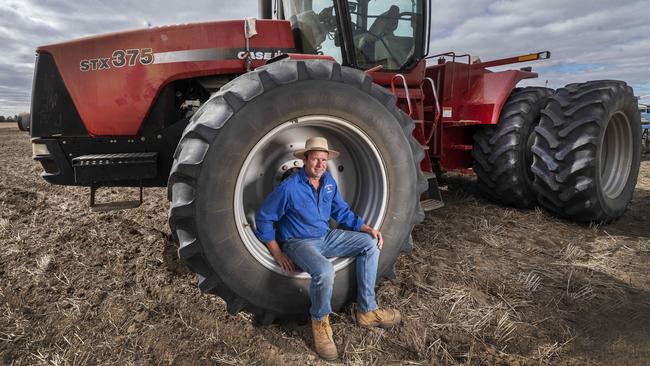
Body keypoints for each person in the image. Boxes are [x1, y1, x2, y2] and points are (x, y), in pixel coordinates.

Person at [255, 136, 401, 361]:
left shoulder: (329, 182)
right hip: (298, 242)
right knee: (324, 271)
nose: (320, 164)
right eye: (315, 159)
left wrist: (366, 228)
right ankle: (320, 324)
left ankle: (366, 311)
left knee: (369, 245)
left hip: (325, 236)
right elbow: (264, 218)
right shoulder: (289, 188)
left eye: (324, 160)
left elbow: (341, 212)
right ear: (305, 160)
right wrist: (277, 251)